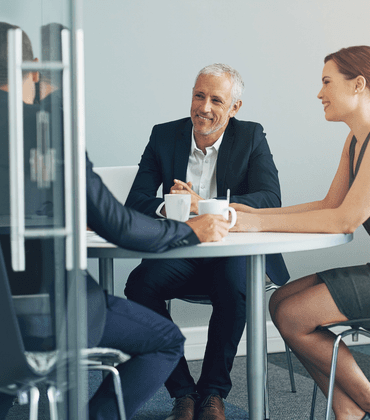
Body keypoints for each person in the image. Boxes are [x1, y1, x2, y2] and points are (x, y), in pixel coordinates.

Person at [0, 22, 232, 420]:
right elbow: (118, 225)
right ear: (34, 69)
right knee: (165, 341)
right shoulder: (45, 131)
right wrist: (188, 229)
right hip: (41, 312)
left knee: (4, 359)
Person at [232, 46, 370, 420]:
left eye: (326, 82)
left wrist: (255, 223)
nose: (320, 94)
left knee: (293, 317)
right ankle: (347, 407)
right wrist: (258, 213)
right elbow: (328, 204)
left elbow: (344, 220)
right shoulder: (357, 139)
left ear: (358, 85)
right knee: (280, 302)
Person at [123, 63, 289, 420]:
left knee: (235, 283)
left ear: (235, 108)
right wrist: (176, 206)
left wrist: (206, 206)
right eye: (199, 96)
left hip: (234, 253)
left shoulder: (251, 136)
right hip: (183, 251)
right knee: (139, 286)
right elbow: (135, 202)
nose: (205, 107)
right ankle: (182, 392)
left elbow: (270, 199)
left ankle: (213, 392)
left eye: (217, 99)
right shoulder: (164, 136)